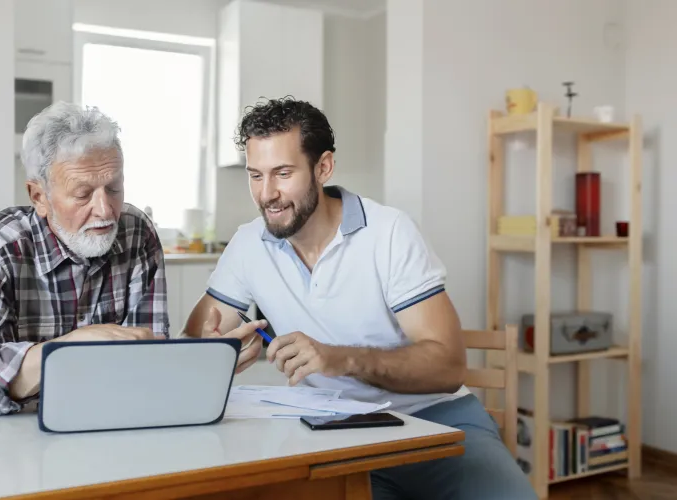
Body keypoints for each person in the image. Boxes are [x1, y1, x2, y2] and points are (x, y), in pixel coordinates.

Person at [182, 97, 537, 499]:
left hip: (435, 419)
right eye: (255, 176)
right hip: (329, 433)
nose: (268, 194)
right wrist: (217, 354)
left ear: (324, 167)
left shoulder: (388, 233)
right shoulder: (249, 244)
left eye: (282, 173)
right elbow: (193, 345)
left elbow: (448, 365)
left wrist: (340, 359)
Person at [0, 102, 170, 417]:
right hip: (10, 437)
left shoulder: (137, 232)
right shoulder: (1, 246)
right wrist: (66, 350)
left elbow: (149, 363)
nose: (105, 210)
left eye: (114, 188)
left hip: (108, 422)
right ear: (39, 197)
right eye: (82, 194)